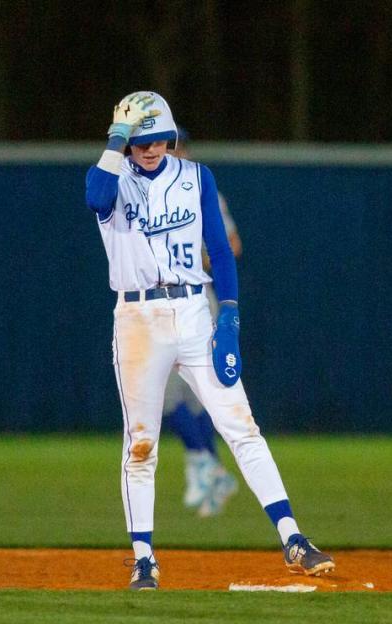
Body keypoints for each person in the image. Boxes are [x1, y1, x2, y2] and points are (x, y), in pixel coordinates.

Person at [84, 91, 334, 590]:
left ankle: (293, 538)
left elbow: (220, 249)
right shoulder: (114, 179)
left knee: (242, 427)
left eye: (158, 138)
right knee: (141, 445)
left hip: (195, 310)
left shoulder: (197, 177)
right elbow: (94, 195)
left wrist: (230, 319)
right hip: (138, 316)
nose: (150, 148)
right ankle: (143, 558)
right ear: (125, 142)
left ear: (171, 136)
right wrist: (117, 136)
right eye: (140, 139)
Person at [162, 128, 242, 518]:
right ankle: (212, 470)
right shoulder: (149, 194)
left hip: (197, 302)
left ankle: (207, 468)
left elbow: (232, 245)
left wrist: (190, 259)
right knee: (173, 400)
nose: (170, 151)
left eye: (175, 145)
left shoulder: (200, 189)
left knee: (186, 398)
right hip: (161, 307)